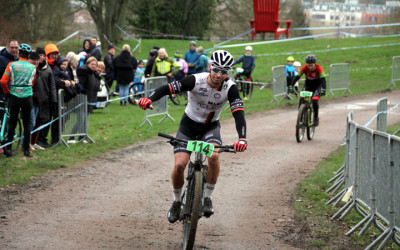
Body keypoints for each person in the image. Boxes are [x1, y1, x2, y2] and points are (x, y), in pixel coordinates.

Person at [137, 50, 247, 223]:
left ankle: (207, 197)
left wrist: (242, 138)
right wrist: (149, 99)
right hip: (188, 125)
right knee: (180, 164)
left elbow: (238, 113)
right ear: (210, 67)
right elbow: (167, 89)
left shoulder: (230, 87)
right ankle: (175, 202)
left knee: (214, 156)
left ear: (228, 73)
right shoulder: (196, 80)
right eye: (216, 70)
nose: (219, 75)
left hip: (210, 128)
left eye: (224, 72)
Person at [1, 44, 36, 157]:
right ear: (29, 55)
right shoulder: (33, 67)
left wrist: (7, 92)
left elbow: (3, 81)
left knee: (12, 123)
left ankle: (9, 149)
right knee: (26, 124)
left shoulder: (11, 64)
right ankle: (26, 150)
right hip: (27, 96)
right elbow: (32, 83)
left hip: (14, 96)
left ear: (18, 53)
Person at [30, 47, 57, 150]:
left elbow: (52, 85)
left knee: (39, 122)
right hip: (33, 98)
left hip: (44, 99)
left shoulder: (48, 68)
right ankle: (27, 142)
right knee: (31, 121)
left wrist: (53, 99)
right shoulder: (32, 67)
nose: (41, 57)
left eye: (43, 55)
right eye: (39, 55)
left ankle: (34, 141)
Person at [291, 54, 326, 127]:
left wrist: (324, 89)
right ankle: (300, 118)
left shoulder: (319, 68)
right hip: (308, 85)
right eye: (308, 65)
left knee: (315, 101)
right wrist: (291, 85)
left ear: (315, 64)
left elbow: (323, 79)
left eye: (311, 65)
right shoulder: (304, 67)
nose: (310, 67)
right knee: (301, 99)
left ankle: (316, 117)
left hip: (317, 86)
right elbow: (297, 77)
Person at [0, 40, 19, 131]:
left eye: (16, 47)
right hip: (3, 92)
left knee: (12, 115)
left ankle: (9, 135)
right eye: (12, 47)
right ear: (7, 47)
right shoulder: (1, 59)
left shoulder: (18, 59)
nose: (14, 49)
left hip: (15, 93)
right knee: (3, 117)